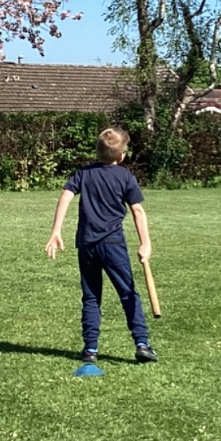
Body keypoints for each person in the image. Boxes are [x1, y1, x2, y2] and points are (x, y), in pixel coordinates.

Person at [45, 127, 157, 364]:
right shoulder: (125, 177)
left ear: (97, 151)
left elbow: (66, 195)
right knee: (127, 292)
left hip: (87, 244)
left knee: (91, 296)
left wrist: (56, 230)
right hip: (113, 244)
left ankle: (90, 349)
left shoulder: (84, 173)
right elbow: (137, 210)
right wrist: (145, 243)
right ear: (121, 155)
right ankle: (142, 343)